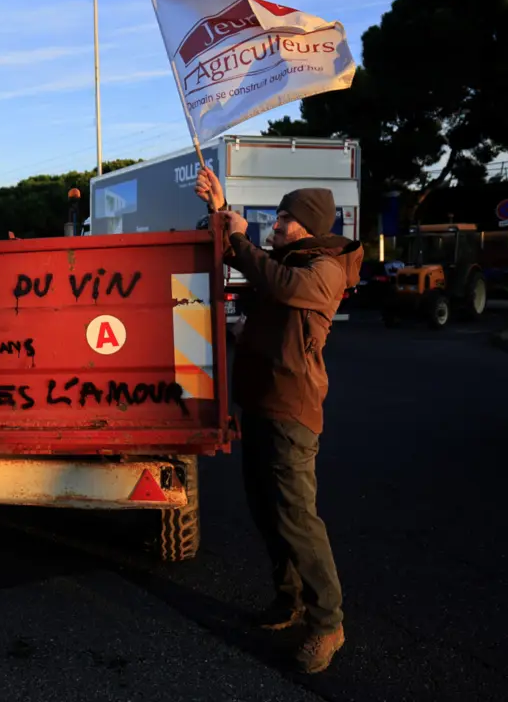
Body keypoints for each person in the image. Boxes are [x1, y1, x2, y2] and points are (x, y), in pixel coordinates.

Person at [195, 166, 362, 674]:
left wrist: (243, 237)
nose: (276, 223)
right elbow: (234, 256)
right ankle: (287, 600)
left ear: (305, 225)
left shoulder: (324, 267)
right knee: (268, 514)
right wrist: (218, 209)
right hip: (262, 404)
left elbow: (283, 285)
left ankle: (327, 622)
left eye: (285, 217)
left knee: (297, 519)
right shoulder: (288, 260)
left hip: (293, 410)